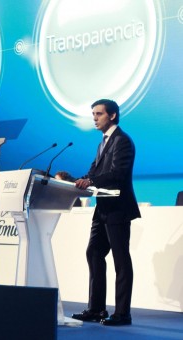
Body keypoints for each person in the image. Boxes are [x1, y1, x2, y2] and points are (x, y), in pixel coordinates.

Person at [72, 99, 140, 326]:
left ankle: (123, 313)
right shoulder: (103, 143)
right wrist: (74, 181)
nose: (94, 118)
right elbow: (94, 171)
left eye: (98, 114)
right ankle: (96, 309)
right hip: (102, 208)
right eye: (93, 113)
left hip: (118, 209)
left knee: (121, 261)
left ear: (112, 116)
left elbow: (117, 174)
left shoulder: (122, 141)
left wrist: (90, 179)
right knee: (93, 253)